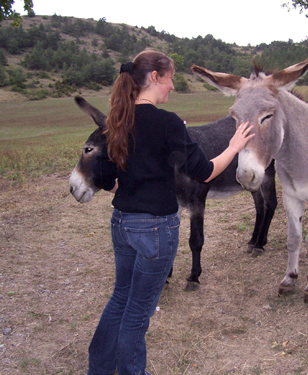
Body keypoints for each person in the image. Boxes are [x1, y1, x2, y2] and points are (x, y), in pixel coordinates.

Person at [86, 49, 254, 375]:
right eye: (170, 78)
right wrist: (233, 146)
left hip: (121, 224)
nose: (173, 87)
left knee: (120, 298)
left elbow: (105, 178)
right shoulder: (169, 123)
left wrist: (129, 183)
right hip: (155, 231)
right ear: (154, 77)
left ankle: (99, 369)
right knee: (137, 312)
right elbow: (205, 171)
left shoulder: (116, 121)